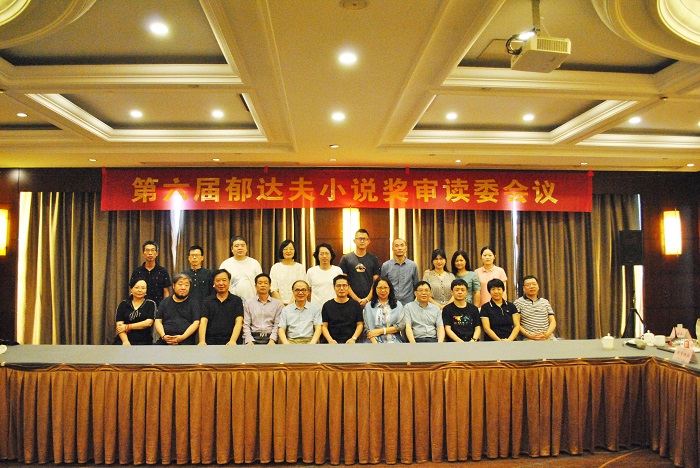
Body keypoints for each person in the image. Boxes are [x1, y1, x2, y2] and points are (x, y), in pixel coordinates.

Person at [198, 269, 243, 345]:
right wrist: (202, 341)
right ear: (214, 283)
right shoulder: (207, 301)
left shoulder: (237, 300)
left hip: (231, 342)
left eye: (224, 280)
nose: (221, 283)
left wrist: (233, 340)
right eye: (218, 280)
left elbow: (239, 321)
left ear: (229, 282)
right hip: (210, 342)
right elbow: (203, 321)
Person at [154, 273, 200, 345]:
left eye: (186, 285)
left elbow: (196, 322)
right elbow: (158, 321)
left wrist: (182, 337)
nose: (183, 287)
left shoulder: (193, 303)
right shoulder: (164, 302)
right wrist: (163, 336)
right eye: (180, 284)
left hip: (186, 341)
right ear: (173, 286)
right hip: (164, 341)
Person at [338, 228, 380, 307]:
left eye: (364, 239)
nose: (362, 241)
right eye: (360, 239)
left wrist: (367, 299)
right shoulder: (346, 258)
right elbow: (343, 282)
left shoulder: (373, 259)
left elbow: (376, 282)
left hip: (370, 302)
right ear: (354, 241)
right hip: (350, 301)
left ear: (368, 241)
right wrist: (357, 299)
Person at [321, 275, 364, 344]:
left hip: (351, 343)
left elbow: (360, 324)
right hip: (332, 343)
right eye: (338, 286)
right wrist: (330, 340)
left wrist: (353, 338)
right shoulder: (327, 305)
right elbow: (324, 326)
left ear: (348, 287)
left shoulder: (356, 305)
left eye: (344, 285)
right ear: (334, 287)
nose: (341, 288)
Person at [243, 273, 283, 345]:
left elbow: (277, 324)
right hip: (253, 338)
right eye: (260, 283)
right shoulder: (248, 303)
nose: (263, 285)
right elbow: (246, 324)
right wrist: (249, 340)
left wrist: (272, 340)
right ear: (255, 286)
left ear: (270, 286)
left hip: (270, 338)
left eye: (265, 283)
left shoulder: (277, 304)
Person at [278, 280, 322, 344]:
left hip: (309, 341)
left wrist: (312, 343)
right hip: (291, 341)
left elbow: (318, 328)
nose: (300, 293)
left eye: (303, 290)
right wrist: (286, 344)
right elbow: (281, 329)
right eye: (297, 290)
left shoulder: (315, 309)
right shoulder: (286, 310)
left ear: (308, 292)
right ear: (293, 292)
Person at [114, 278, 156, 345]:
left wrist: (127, 327)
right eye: (137, 287)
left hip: (144, 341)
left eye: (143, 288)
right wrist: (125, 341)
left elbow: (148, 323)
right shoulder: (123, 304)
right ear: (131, 289)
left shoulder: (150, 304)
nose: (140, 290)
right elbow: (119, 326)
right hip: (123, 341)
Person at [219, 235, 263, 300]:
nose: (240, 248)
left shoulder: (254, 263)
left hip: (251, 302)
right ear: (232, 249)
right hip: (230, 302)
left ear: (246, 248)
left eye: (242, 246)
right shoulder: (225, 264)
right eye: (236, 246)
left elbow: (261, 283)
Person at [514, 275, 557, 340]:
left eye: (534, 284)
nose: (532, 286)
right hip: (528, 338)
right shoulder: (518, 303)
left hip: (548, 337)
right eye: (528, 285)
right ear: (524, 288)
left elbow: (552, 321)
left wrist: (546, 334)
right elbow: (516, 324)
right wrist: (530, 336)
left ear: (538, 286)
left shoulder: (545, 302)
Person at [364, 277, 405, 344]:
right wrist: (376, 344)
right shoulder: (369, 306)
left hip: (394, 341)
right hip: (373, 342)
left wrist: (381, 331)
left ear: (390, 288)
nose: (383, 290)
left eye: (385, 287)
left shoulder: (398, 305)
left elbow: (400, 326)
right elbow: (367, 329)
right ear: (375, 289)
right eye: (380, 288)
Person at [129, 240, 170, 305]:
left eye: (152, 250)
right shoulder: (137, 271)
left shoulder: (162, 271)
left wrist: (165, 307)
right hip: (140, 306)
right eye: (147, 250)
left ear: (157, 253)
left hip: (158, 306)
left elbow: (166, 292)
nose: (150, 253)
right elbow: (132, 291)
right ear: (143, 253)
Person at [380, 238, 419, 306]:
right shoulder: (386, 266)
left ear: (406, 248)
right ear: (392, 249)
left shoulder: (413, 265)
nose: (399, 248)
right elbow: (383, 285)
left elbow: (416, 285)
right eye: (396, 246)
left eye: (402, 245)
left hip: (408, 303)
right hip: (391, 302)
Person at [270, 239, 306, 306]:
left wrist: (290, 305)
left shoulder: (300, 268)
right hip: (278, 305)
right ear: (282, 251)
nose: (288, 251)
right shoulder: (275, 267)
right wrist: (282, 305)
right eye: (285, 249)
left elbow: (301, 288)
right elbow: (273, 289)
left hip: (297, 304)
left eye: (291, 249)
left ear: (295, 251)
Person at [306, 243, 343, 308]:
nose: (324, 256)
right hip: (316, 308)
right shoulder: (311, 271)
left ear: (331, 256)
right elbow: (308, 291)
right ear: (317, 256)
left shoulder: (337, 270)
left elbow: (341, 289)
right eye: (321, 254)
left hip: (334, 307)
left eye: (327, 253)